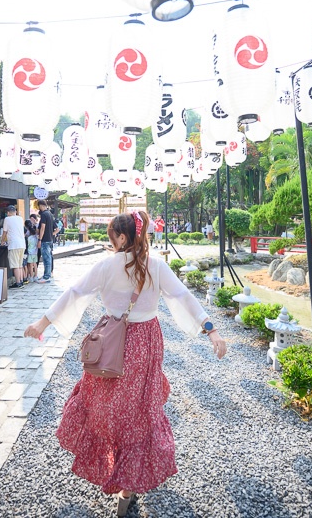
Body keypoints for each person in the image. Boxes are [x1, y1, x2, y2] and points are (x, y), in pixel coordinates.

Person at [23, 211, 226, 516]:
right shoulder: (155, 265)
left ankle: (113, 466)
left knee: (107, 406)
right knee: (140, 408)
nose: (111, 241)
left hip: (110, 345)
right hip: (145, 344)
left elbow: (75, 292)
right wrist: (211, 330)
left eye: (111, 236)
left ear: (120, 237)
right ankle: (127, 486)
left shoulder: (106, 266)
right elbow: (183, 296)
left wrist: (43, 323)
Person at [0, 205, 26, 289]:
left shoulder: (7, 219)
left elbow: (4, 232)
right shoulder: (20, 218)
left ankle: (18, 282)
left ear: (8, 213)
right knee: (20, 265)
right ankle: (21, 281)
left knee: (15, 265)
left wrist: (2, 241)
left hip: (14, 245)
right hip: (22, 244)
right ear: (15, 212)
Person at [36, 200, 55, 283]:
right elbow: (56, 228)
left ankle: (46, 276)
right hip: (50, 239)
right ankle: (47, 274)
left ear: (41, 205)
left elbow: (42, 227)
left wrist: (40, 239)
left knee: (46, 259)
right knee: (49, 258)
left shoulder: (44, 214)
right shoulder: (50, 214)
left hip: (45, 240)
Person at [25, 218, 38, 282]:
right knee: (35, 264)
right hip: (35, 252)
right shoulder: (35, 236)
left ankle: (31, 277)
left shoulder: (28, 236)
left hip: (30, 252)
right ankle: (36, 276)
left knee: (30, 265)